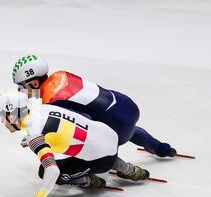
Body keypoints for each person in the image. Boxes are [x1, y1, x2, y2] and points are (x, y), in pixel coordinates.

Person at [0, 91, 149, 197]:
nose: (2, 121)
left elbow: (52, 171)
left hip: (103, 159)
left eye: (2, 117)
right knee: (90, 148)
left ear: (13, 115)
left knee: (44, 171)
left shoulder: (35, 136)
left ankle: (89, 180)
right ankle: (128, 169)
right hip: (107, 134)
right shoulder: (42, 109)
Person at [12, 55, 176, 157]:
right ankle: (161, 148)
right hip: (125, 105)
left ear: (34, 82)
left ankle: (124, 169)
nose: (21, 91)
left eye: (21, 86)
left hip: (118, 126)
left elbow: (85, 127)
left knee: (82, 140)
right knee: (127, 128)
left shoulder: (51, 100)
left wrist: (40, 136)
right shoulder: (60, 74)